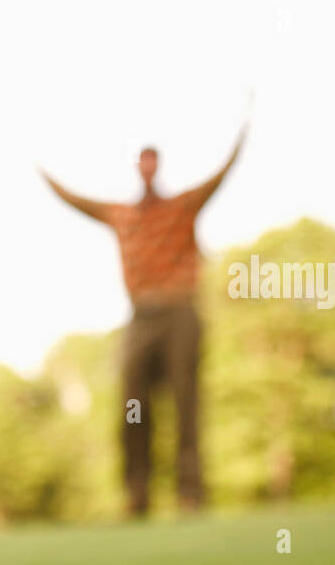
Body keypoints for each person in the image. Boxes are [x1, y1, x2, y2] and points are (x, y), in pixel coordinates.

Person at [40, 128, 245, 516]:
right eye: (142, 162)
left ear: (158, 167)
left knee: (186, 402)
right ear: (138, 168)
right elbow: (74, 199)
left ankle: (191, 494)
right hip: (141, 316)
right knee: (133, 402)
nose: (147, 168)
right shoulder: (120, 214)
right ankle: (137, 495)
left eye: (153, 162)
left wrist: (241, 136)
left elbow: (222, 174)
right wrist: (39, 167)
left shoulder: (183, 206)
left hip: (181, 310)